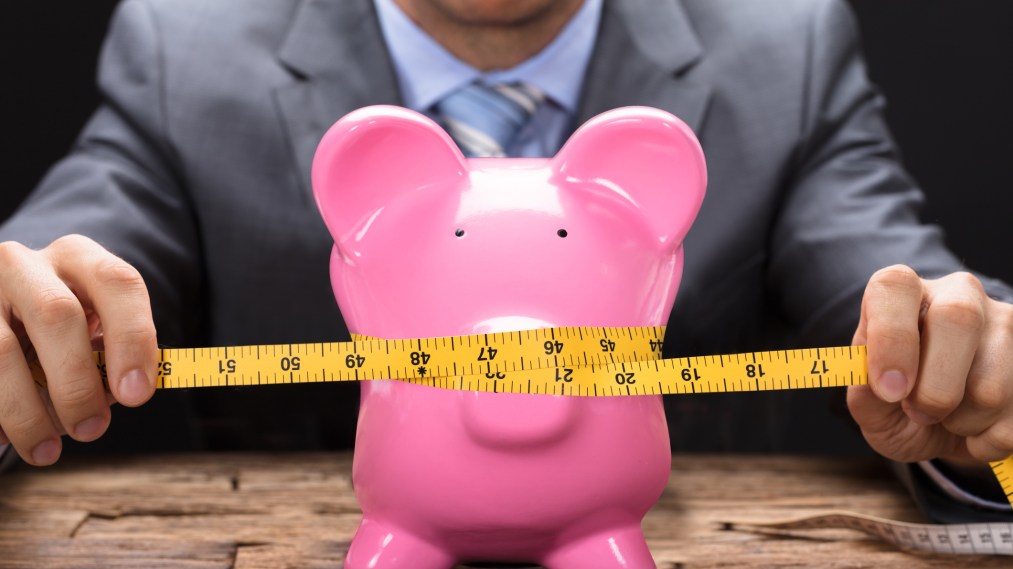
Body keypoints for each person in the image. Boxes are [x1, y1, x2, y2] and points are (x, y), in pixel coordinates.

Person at [0, 0, 1011, 522]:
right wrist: (25, 328)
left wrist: (969, 381)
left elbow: (905, 294)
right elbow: (68, 263)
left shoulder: (782, 50)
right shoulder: (184, 47)